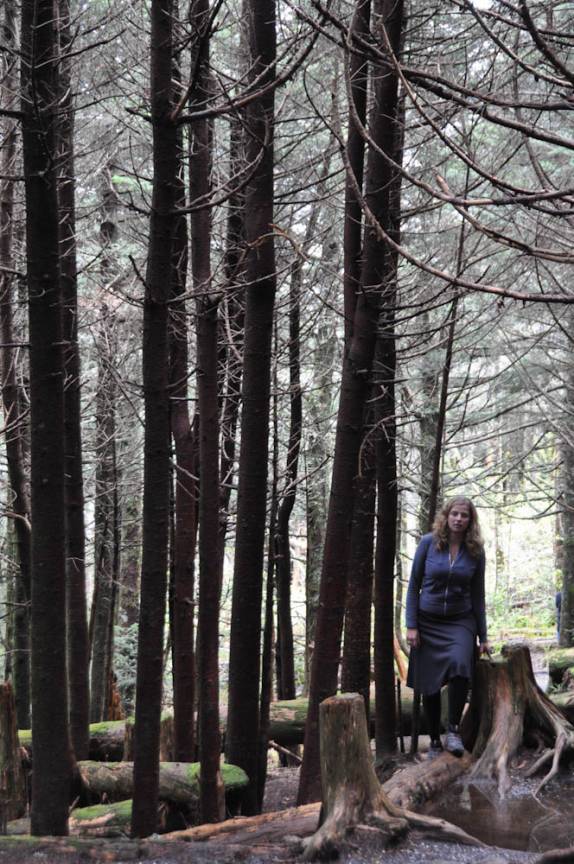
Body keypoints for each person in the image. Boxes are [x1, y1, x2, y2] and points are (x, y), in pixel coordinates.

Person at [405, 496, 491, 758]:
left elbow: (478, 595)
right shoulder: (428, 543)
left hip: (460, 620)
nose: (459, 519)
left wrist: (483, 636)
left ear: (470, 520)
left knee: (460, 665)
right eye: (455, 514)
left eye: (464, 515)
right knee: (429, 684)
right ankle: (433, 741)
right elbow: (413, 585)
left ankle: (452, 729)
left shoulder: (476, 551)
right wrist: (412, 625)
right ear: (447, 515)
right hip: (427, 621)